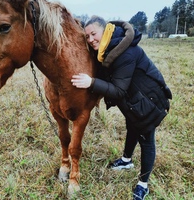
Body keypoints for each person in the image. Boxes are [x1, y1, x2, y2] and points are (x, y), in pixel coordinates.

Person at [71, 16, 172, 200]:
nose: (91, 39)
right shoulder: (106, 49)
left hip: (149, 100)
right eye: (87, 36)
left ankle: (143, 184)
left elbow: (117, 90)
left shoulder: (124, 52)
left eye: (94, 34)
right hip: (135, 98)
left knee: (146, 138)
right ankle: (126, 160)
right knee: (132, 126)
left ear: (105, 30)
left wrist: (90, 82)